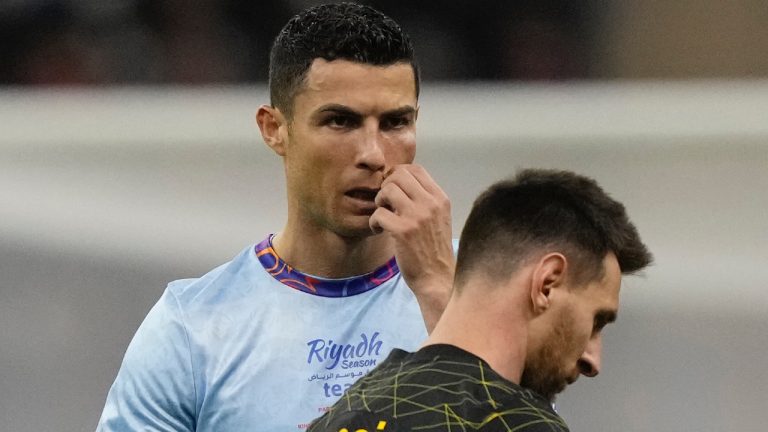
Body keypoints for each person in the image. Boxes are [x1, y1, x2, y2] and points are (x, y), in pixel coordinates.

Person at [95, 3, 455, 431]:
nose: (373, 155)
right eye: (340, 121)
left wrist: (441, 293)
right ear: (274, 129)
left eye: (396, 123)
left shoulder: (480, 283)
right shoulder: (192, 331)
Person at [308, 169, 653, 431]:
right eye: (596, 321)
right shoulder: (518, 423)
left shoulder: (340, 415)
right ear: (546, 284)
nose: (593, 360)